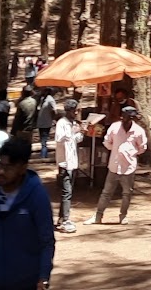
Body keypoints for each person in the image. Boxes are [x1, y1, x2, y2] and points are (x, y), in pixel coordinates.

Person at [0, 138, 54, 290]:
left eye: (8, 168)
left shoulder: (37, 195)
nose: (1, 171)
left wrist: (43, 278)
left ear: (23, 168)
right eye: (0, 165)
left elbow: (47, 241)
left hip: (25, 282)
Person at [92, 104, 147, 224]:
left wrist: (131, 153)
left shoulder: (138, 131)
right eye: (126, 117)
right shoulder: (114, 127)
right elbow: (107, 142)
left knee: (127, 193)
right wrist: (116, 150)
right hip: (114, 165)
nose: (128, 120)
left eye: (131, 118)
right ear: (122, 117)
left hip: (129, 167)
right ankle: (98, 216)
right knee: (106, 192)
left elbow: (142, 148)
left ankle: (123, 216)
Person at [52, 99, 83, 233]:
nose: (76, 113)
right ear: (69, 111)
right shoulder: (62, 123)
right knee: (67, 192)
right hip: (64, 163)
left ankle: (61, 219)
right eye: (75, 111)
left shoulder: (73, 123)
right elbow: (59, 139)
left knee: (68, 192)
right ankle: (65, 220)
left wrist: (81, 132)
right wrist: (72, 131)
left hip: (73, 162)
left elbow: (75, 140)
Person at [36, 90, 57, 160]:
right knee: (42, 139)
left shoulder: (50, 100)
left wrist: (53, 118)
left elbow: (55, 110)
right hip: (41, 122)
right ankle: (44, 154)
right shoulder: (43, 99)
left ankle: (43, 155)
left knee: (44, 139)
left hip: (46, 122)